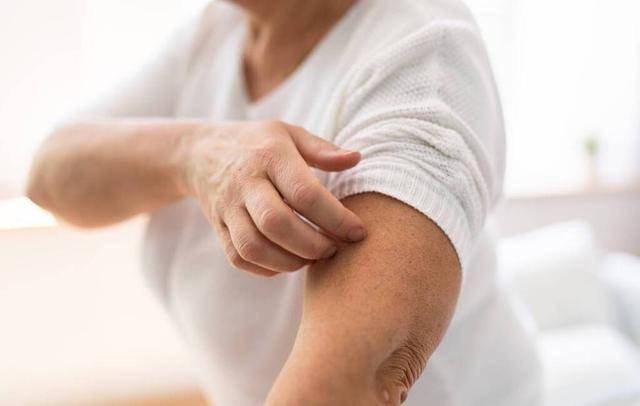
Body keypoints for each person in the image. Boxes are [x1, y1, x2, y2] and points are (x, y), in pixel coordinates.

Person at [26, 0, 542, 404]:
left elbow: (357, 383)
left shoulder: (423, 60)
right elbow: (49, 176)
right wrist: (195, 153)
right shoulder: (221, 31)